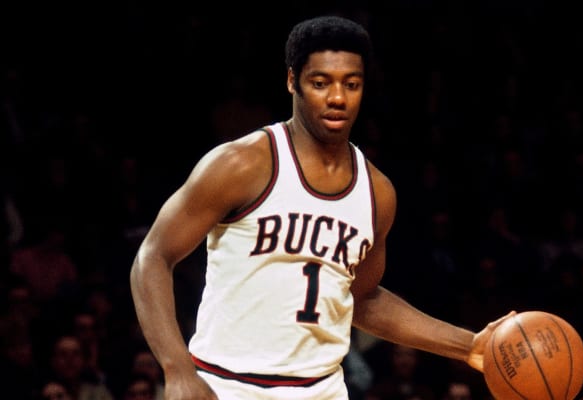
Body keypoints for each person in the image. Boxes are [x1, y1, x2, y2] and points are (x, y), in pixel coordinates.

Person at [129, 15, 514, 400]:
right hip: (226, 384)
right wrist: (177, 368)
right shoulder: (240, 164)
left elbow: (362, 299)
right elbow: (153, 256)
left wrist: (468, 346)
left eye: (351, 84)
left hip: (322, 390)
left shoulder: (377, 193)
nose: (337, 98)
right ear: (292, 80)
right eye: (320, 83)